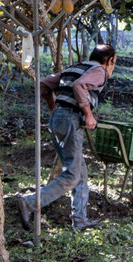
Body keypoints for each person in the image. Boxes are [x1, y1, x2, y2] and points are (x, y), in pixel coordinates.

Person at [18, 44, 117, 230]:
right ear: (110, 60)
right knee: (72, 176)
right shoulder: (99, 71)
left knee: (80, 173)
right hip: (71, 118)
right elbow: (80, 86)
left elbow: (44, 84)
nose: (113, 68)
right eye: (114, 63)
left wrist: (53, 107)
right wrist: (88, 113)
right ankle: (30, 203)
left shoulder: (74, 68)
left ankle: (79, 221)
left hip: (58, 118)